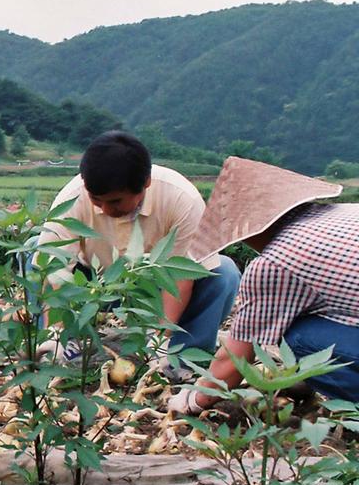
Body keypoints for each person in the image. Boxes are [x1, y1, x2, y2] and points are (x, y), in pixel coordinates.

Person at [169, 157, 358, 413]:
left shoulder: (278, 261)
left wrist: (190, 401)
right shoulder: (342, 213)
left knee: (298, 339)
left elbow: (235, 361)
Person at [36, 131, 241, 361]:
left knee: (224, 273)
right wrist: (55, 334)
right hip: (92, 285)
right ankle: (64, 345)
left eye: (115, 201)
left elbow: (181, 277)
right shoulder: (72, 198)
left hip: (155, 287)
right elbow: (54, 272)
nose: (104, 209)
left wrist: (160, 342)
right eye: (96, 200)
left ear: (145, 183)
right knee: (37, 255)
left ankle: (181, 355)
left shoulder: (182, 199)